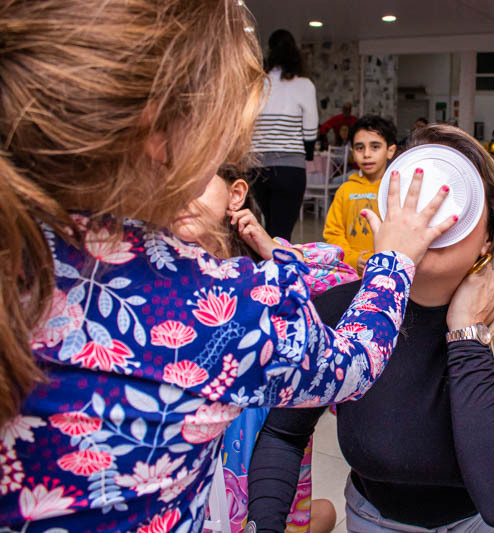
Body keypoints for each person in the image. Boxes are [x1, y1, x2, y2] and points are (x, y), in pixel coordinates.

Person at [0, 1, 458, 530]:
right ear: (163, 132)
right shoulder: (219, 306)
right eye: (231, 117)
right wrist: (393, 261)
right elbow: (352, 365)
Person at [247, 124, 494, 533]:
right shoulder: (338, 310)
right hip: (380, 516)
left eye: (450, 196)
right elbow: (283, 435)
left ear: (488, 237)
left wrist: (466, 336)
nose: (427, 217)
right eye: (411, 198)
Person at [171, 171, 351, 533]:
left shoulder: (269, 265)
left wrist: (274, 251)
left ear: (235, 194)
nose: (178, 191)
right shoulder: (163, 268)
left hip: (269, 435)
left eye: (196, 176)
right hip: (200, 439)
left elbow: (345, 287)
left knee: (275, 514)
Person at [249, 29, 318, 240]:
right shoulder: (304, 85)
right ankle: (277, 271)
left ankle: (265, 270)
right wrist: (308, 153)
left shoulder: (256, 85)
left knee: (268, 229)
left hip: (256, 167)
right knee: (280, 235)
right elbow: (310, 128)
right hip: (289, 168)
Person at [323, 116, 398, 274]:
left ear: (390, 151)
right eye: (359, 148)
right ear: (352, 152)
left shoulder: (396, 190)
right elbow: (333, 233)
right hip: (350, 272)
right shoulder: (345, 190)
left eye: (375, 147)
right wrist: (352, 259)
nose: (366, 154)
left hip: (388, 271)